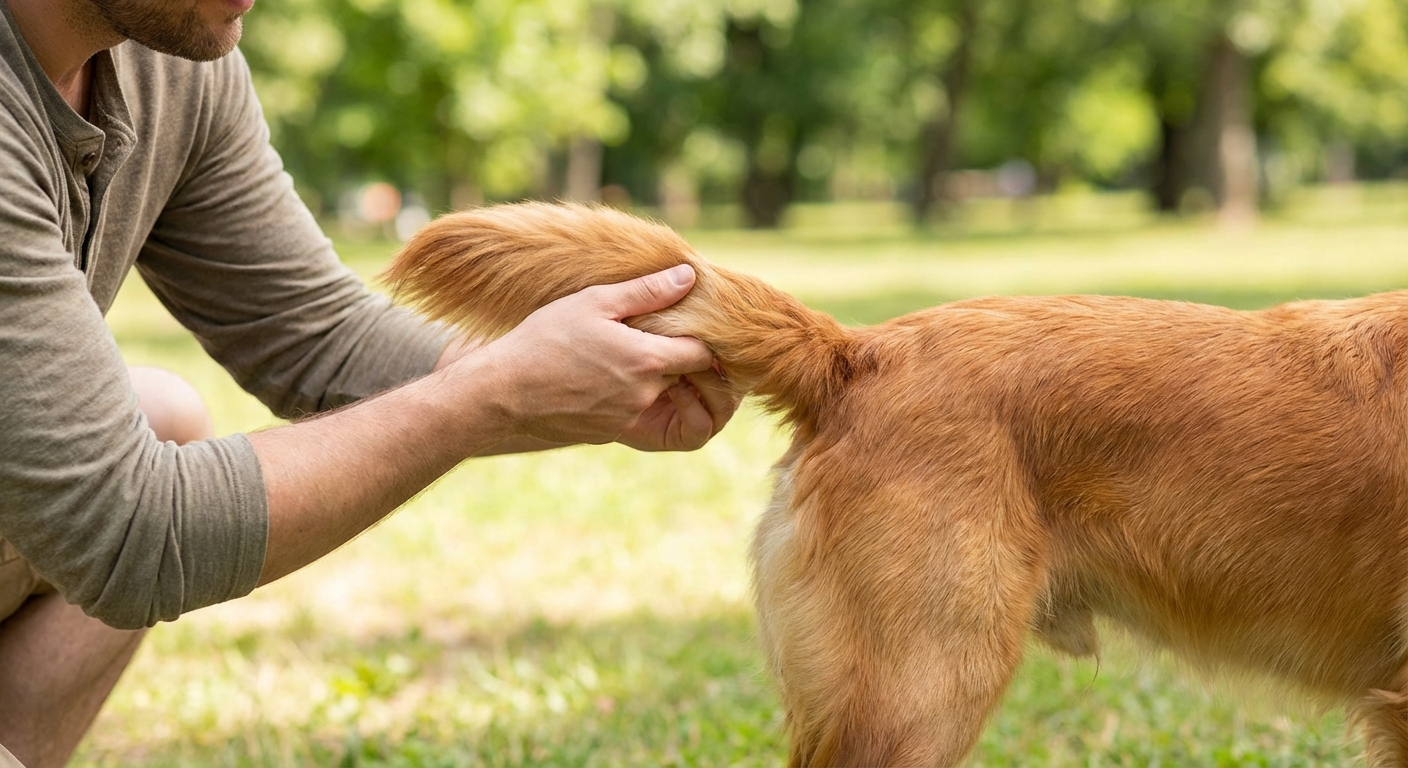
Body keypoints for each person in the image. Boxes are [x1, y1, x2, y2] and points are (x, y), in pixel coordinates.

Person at [0, 0, 737, 765]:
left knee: (166, 415)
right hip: (115, 530)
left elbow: (318, 335)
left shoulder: (170, 61)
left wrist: (587, 376)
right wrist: (499, 390)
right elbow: (128, 529)